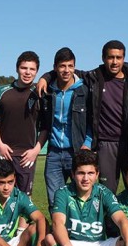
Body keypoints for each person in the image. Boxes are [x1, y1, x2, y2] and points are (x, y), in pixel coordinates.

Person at [87, 40, 128, 193]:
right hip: (106, 145)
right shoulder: (93, 79)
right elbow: (67, 72)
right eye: (111, 57)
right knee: (106, 191)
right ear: (103, 58)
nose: (115, 62)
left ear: (124, 58)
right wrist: (45, 77)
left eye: (119, 57)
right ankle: (108, 218)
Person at [39, 48, 91, 209]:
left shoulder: (85, 90)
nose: (66, 70)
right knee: (55, 202)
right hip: (53, 153)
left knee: (80, 200)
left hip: (76, 152)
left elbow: (93, 120)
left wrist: (88, 142)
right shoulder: (48, 91)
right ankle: (58, 232)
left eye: (70, 66)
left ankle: (77, 232)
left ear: (75, 67)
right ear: (55, 67)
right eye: (62, 66)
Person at [0, 51, 48, 197]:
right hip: (5, 153)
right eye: (24, 68)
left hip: (27, 156)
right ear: (17, 68)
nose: (28, 72)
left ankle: (24, 222)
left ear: (37, 72)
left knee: (25, 199)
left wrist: (36, 151)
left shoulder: (40, 94)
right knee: (3, 195)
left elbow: (45, 127)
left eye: (32, 69)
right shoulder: (2, 92)